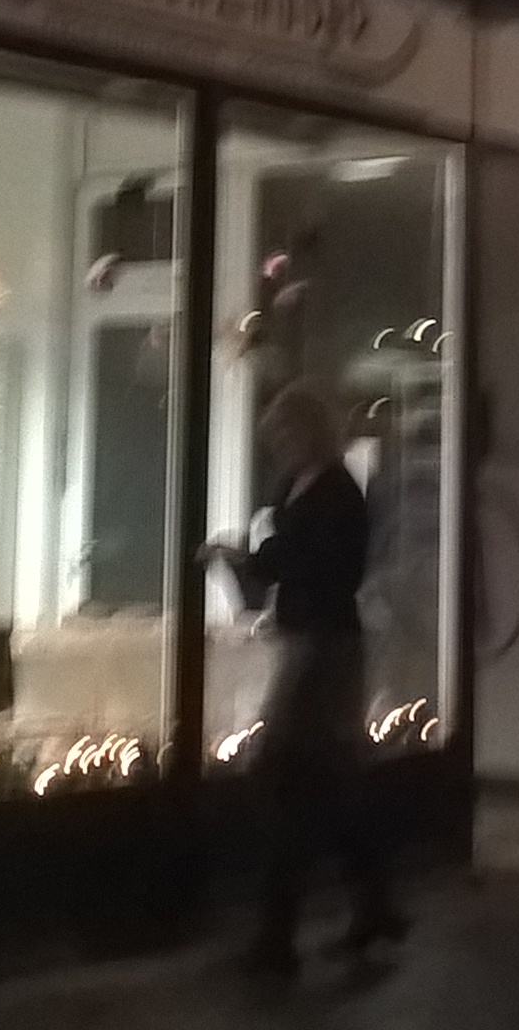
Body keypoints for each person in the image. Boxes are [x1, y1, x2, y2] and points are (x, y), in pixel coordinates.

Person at [200, 383, 406, 978]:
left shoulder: (334, 492)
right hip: (314, 642)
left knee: (292, 780)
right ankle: (366, 905)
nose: (281, 446)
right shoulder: (306, 485)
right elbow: (292, 560)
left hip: (322, 648)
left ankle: (285, 933)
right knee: (324, 783)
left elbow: (317, 567)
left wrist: (246, 560)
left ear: (309, 430)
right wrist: (250, 560)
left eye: (287, 434)